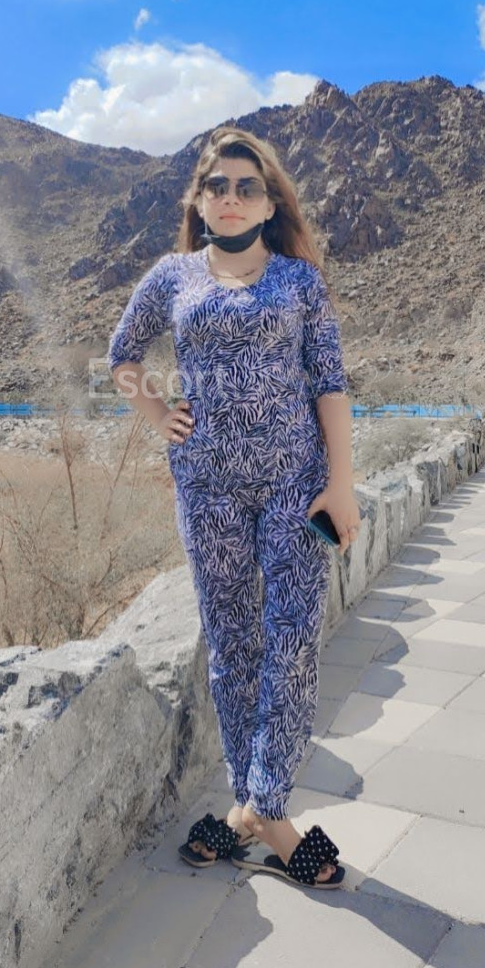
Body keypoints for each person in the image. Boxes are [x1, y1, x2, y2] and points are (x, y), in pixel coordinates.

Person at [106, 126, 361, 891]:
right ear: (197, 199)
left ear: (269, 201)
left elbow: (329, 382)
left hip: (294, 485)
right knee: (231, 645)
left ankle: (261, 810)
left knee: (293, 640)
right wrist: (160, 416)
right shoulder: (172, 276)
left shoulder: (299, 281)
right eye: (216, 185)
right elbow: (121, 356)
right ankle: (260, 813)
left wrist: (340, 483)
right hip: (206, 488)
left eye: (246, 186)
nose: (230, 197)